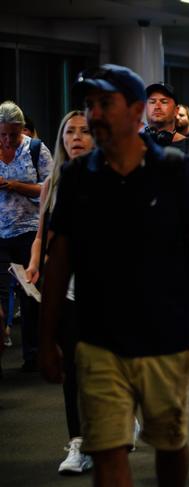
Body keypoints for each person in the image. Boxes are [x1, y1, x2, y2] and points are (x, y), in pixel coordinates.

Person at [38, 64, 189, 487]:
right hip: (97, 339)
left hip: (167, 337)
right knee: (107, 448)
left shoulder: (175, 170)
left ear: (136, 111)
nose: (95, 115)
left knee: (168, 442)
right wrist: (47, 334)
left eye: (106, 103)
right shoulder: (75, 177)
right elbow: (59, 263)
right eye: (90, 106)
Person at [25, 110, 94, 474]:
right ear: (62, 138)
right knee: (72, 368)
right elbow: (41, 233)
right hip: (66, 287)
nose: (77, 137)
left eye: (85, 131)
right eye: (70, 131)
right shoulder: (54, 182)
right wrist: (37, 262)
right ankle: (78, 442)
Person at [0, 100, 53, 372]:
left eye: (13, 133)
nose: (8, 139)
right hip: (0, 234)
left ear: (22, 129)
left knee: (29, 294)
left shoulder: (34, 149)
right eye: (3, 134)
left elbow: (49, 187)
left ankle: (33, 353)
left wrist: (14, 185)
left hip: (28, 231)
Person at [145, 82, 189, 157]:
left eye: (164, 102)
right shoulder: (133, 144)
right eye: (152, 102)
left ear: (176, 110)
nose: (157, 107)